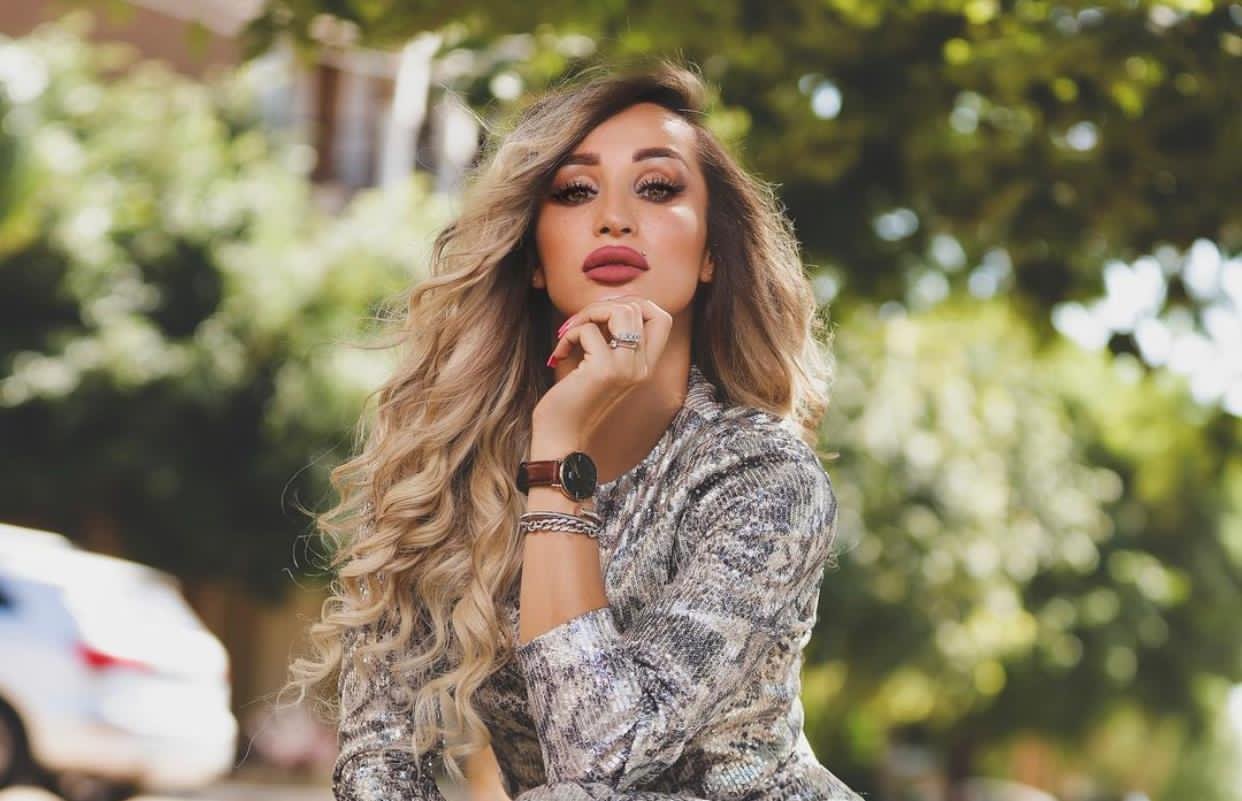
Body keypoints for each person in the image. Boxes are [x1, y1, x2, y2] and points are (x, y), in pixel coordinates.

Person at [284, 59, 865, 801]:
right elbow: (378, 759)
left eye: (657, 187)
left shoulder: (763, 476)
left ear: (712, 253)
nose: (614, 218)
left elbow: (598, 761)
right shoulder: (449, 463)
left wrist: (559, 447)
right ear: (534, 258)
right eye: (575, 191)